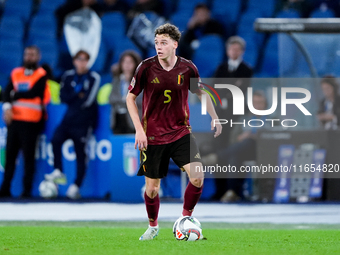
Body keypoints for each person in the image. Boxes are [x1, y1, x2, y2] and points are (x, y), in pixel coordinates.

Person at [126, 23, 222, 240]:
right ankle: (153, 226)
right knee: (152, 189)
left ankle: (185, 218)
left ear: (175, 45)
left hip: (181, 132)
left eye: (163, 43)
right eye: (156, 43)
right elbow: (130, 98)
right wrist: (139, 130)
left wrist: (215, 117)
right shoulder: (146, 68)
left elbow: (202, 92)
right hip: (152, 136)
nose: (159, 47)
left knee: (197, 176)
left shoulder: (188, 68)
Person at [44, 50, 100, 199]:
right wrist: (78, 94)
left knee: (80, 154)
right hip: (68, 119)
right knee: (55, 140)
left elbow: (87, 101)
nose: (81, 62)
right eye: (78, 59)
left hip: (83, 122)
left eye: (84, 60)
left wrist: (74, 96)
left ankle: (76, 186)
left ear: (88, 62)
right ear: (74, 61)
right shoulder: (68, 75)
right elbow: (63, 97)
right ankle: (58, 170)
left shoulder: (94, 77)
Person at [0, 46, 48, 198]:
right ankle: (5, 188)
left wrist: (15, 94)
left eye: (32, 54)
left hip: (31, 122)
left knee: (28, 158)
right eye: (27, 54)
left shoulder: (41, 74)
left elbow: (35, 92)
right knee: (10, 157)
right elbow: (6, 92)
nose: (29, 57)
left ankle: (27, 190)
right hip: (14, 121)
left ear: (38, 57)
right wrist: (7, 105)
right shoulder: (16, 73)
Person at [211, 35, 253, 200]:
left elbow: (241, 94)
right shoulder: (220, 69)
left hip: (237, 117)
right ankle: (219, 190)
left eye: (237, 49)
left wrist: (226, 92)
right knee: (218, 151)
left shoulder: (246, 70)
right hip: (220, 117)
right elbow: (215, 92)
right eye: (231, 48)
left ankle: (234, 190)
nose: (234, 52)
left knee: (235, 154)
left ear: (242, 51)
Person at [109, 50, 142, 134]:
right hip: (118, 119)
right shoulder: (116, 80)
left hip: (132, 120)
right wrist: (127, 101)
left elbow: (139, 100)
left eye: (130, 62)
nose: (127, 65)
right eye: (125, 62)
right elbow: (112, 99)